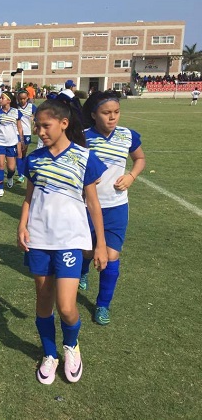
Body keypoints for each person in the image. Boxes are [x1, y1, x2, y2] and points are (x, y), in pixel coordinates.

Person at [17, 99, 108, 385]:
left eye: (46, 125)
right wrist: (22, 224)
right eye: (37, 126)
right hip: (39, 239)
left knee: (67, 306)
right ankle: (49, 353)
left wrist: (101, 243)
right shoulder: (34, 158)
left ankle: (71, 346)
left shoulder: (84, 157)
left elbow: (93, 204)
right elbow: (29, 198)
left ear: (64, 123)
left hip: (69, 240)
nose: (40, 131)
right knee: (43, 301)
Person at [80, 91, 146, 326]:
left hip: (116, 206)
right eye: (106, 113)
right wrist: (85, 179)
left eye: (116, 112)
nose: (112, 117)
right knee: (87, 251)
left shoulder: (127, 135)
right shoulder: (83, 137)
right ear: (93, 115)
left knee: (110, 255)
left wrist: (131, 176)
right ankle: (83, 269)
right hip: (87, 207)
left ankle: (103, 305)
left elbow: (140, 159)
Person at [0, 91, 24, 197]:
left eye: (2, 98)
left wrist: (21, 140)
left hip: (12, 143)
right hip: (0, 142)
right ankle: (0, 189)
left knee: (11, 168)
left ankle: (9, 177)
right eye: (0, 98)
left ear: (9, 100)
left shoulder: (16, 112)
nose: (0, 100)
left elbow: (19, 127)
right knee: (0, 164)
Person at [15, 89, 37, 183]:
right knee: (18, 153)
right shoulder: (15, 107)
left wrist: (35, 125)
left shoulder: (32, 107)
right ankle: (20, 175)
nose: (22, 101)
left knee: (23, 153)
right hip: (16, 132)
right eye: (20, 99)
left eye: (24, 99)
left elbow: (37, 118)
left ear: (27, 98)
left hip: (27, 133)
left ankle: (22, 170)